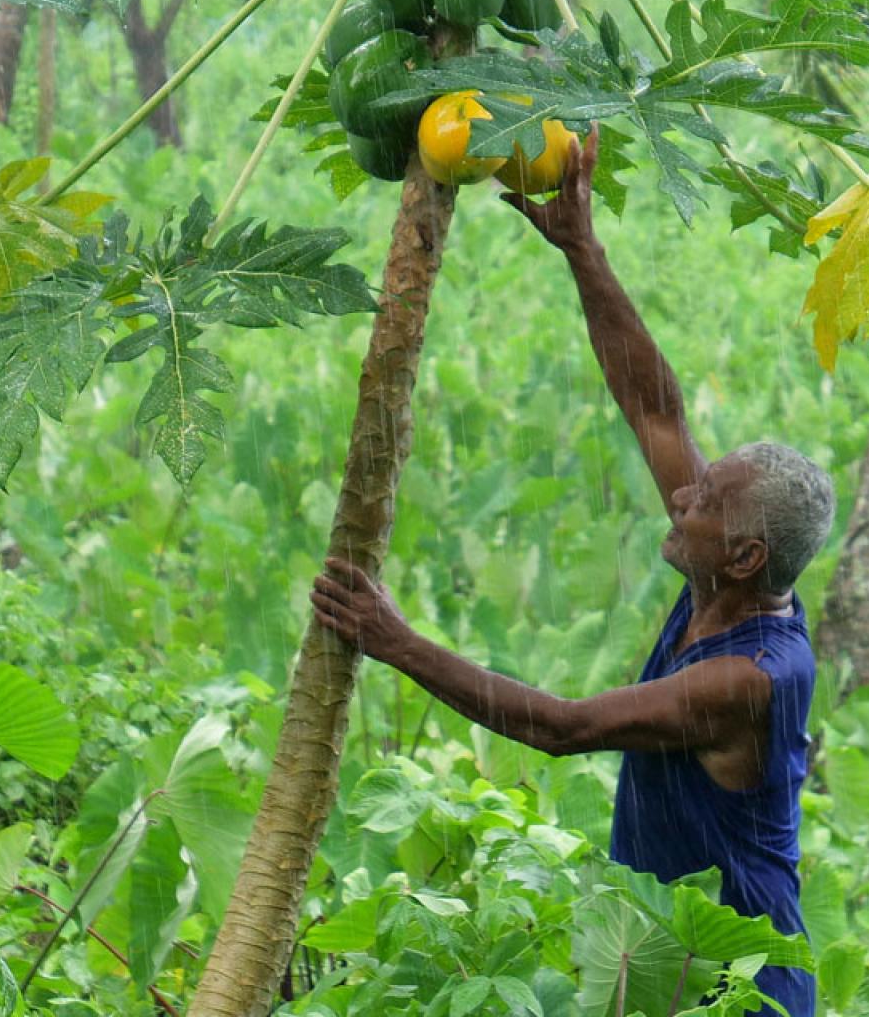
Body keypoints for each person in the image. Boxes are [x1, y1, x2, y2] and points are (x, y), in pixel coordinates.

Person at [309, 126, 831, 1016]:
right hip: (660, 958)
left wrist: (395, 642)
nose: (681, 496)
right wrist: (582, 250)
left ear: (746, 556)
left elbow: (562, 728)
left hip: (740, 988)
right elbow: (654, 409)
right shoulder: (726, 571)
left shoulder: (745, 679)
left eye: (704, 499)